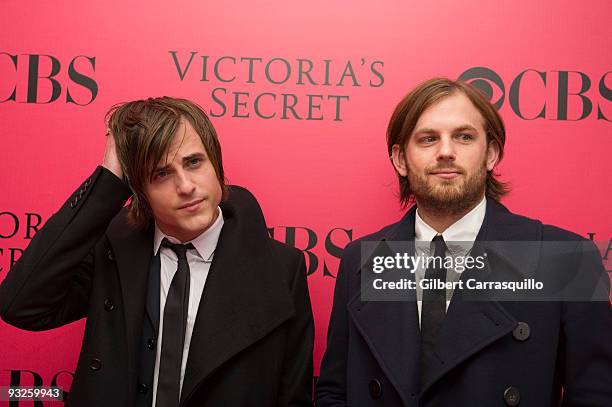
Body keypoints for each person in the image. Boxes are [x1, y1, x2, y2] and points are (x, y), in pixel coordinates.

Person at [315, 78, 612, 406]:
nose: (445, 152)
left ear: (491, 154)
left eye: (464, 137)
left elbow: (596, 396)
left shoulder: (567, 259)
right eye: (428, 139)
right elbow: (334, 392)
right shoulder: (361, 259)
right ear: (400, 159)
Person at [0, 97, 314, 407]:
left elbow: (292, 395)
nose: (186, 185)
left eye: (194, 162)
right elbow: (22, 305)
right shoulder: (114, 249)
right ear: (139, 190)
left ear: (216, 162)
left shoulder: (281, 267)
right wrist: (108, 179)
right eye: (161, 174)